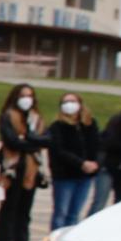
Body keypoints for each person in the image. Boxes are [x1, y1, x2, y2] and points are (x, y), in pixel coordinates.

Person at [0, 83, 46, 241]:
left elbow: (45, 140)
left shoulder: (36, 119)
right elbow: (12, 142)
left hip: (31, 170)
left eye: (30, 95)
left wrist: (28, 140)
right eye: (23, 95)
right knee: (8, 210)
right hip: (12, 169)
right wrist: (31, 142)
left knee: (24, 212)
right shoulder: (7, 116)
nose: (27, 99)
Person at [46, 92, 101, 231]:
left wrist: (95, 163)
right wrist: (81, 163)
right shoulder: (57, 126)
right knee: (61, 212)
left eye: (73, 101)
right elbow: (59, 151)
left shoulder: (90, 124)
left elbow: (97, 145)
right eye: (65, 102)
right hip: (65, 176)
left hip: (85, 176)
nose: (69, 105)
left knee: (74, 213)